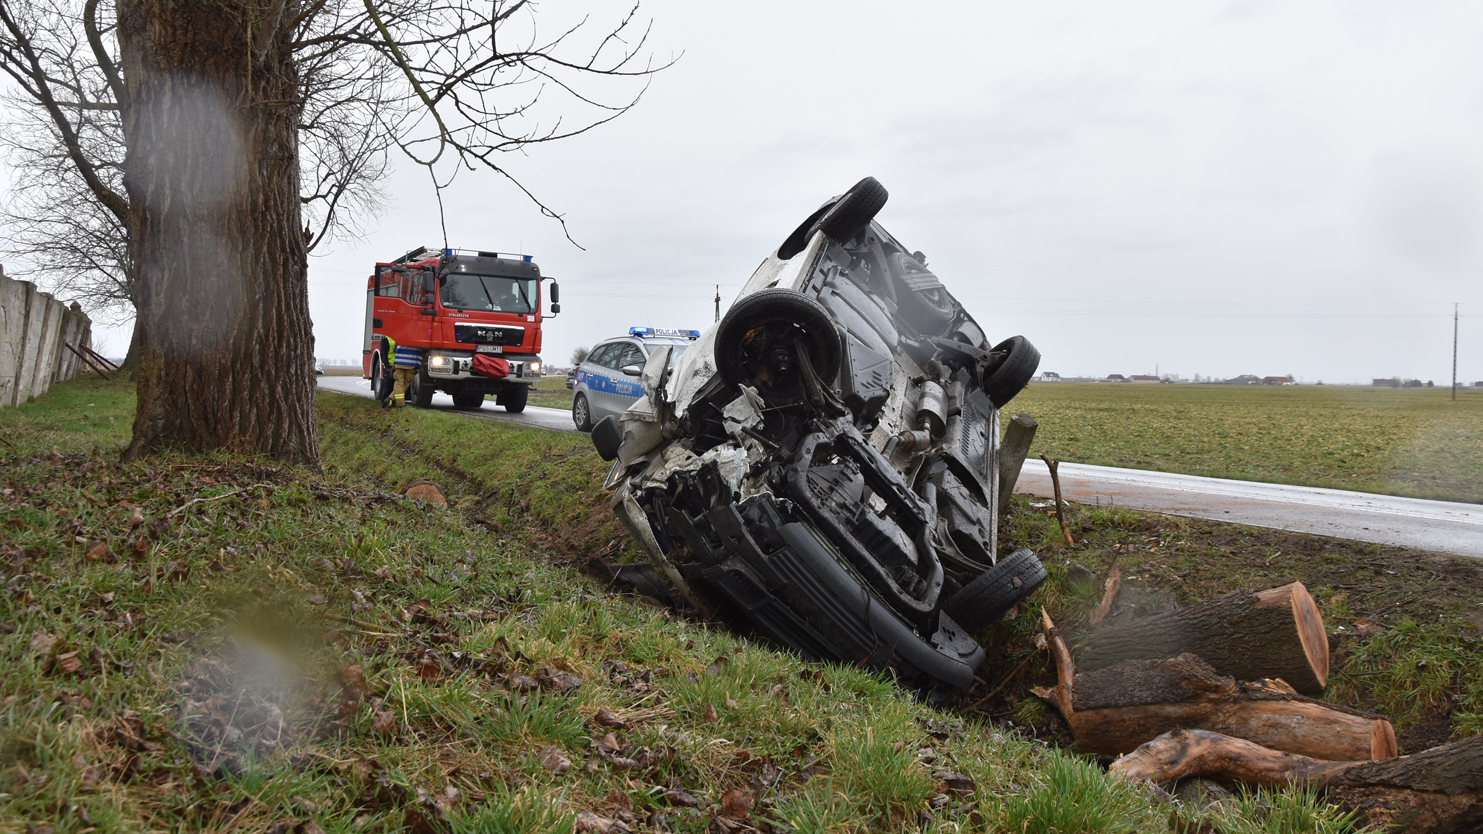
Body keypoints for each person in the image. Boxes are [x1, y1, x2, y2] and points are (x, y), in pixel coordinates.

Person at [391, 340, 424, 408]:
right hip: (410, 363)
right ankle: (400, 404)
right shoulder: (418, 336)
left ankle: (390, 399)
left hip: (399, 363)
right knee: (405, 383)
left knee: (399, 383)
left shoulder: (400, 335)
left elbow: (394, 348)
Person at [378, 334, 398, 407]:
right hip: (389, 366)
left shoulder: (397, 339)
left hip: (396, 366)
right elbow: (383, 354)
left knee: (394, 385)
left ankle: (392, 403)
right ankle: (384, 403)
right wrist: (387, 366)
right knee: (387, 385)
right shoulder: (386, 339)